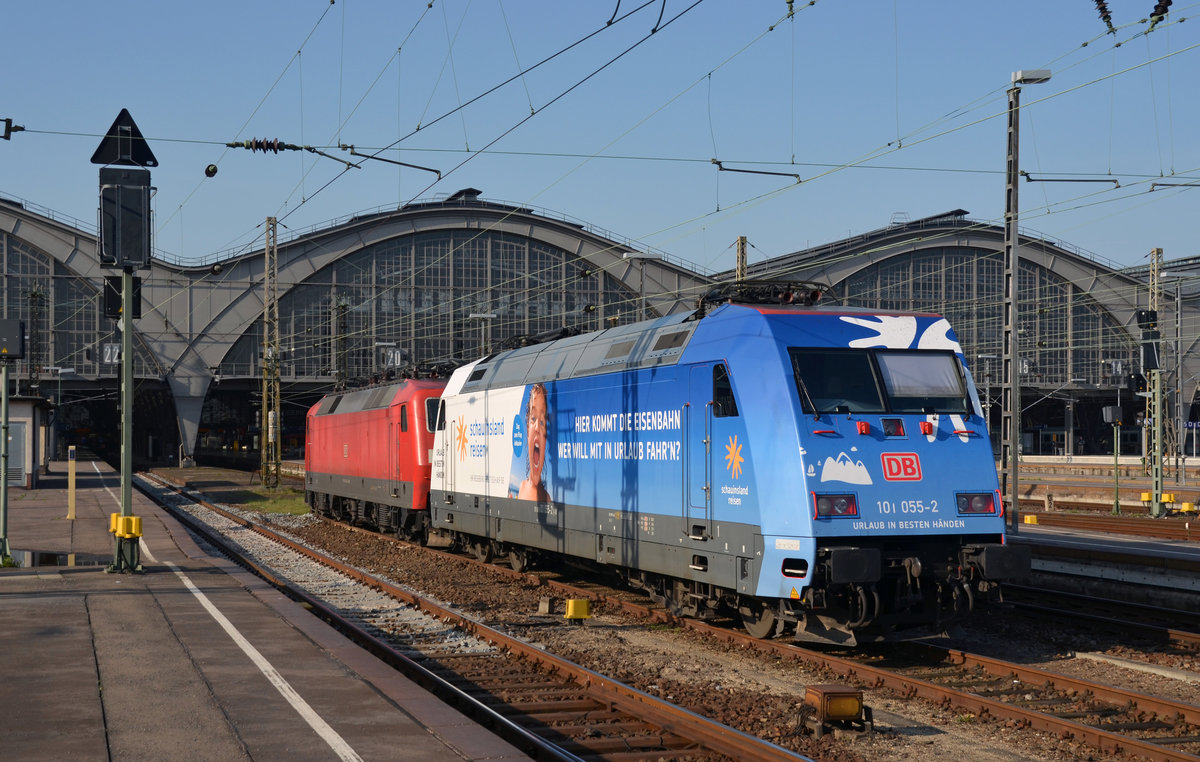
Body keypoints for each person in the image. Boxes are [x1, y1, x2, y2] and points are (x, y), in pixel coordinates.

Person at [517, 383, 551, 502]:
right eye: (533, 419)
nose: (537, 427)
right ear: (527, 429)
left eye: (542, 422)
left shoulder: (547, 499)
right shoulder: (522, 486)